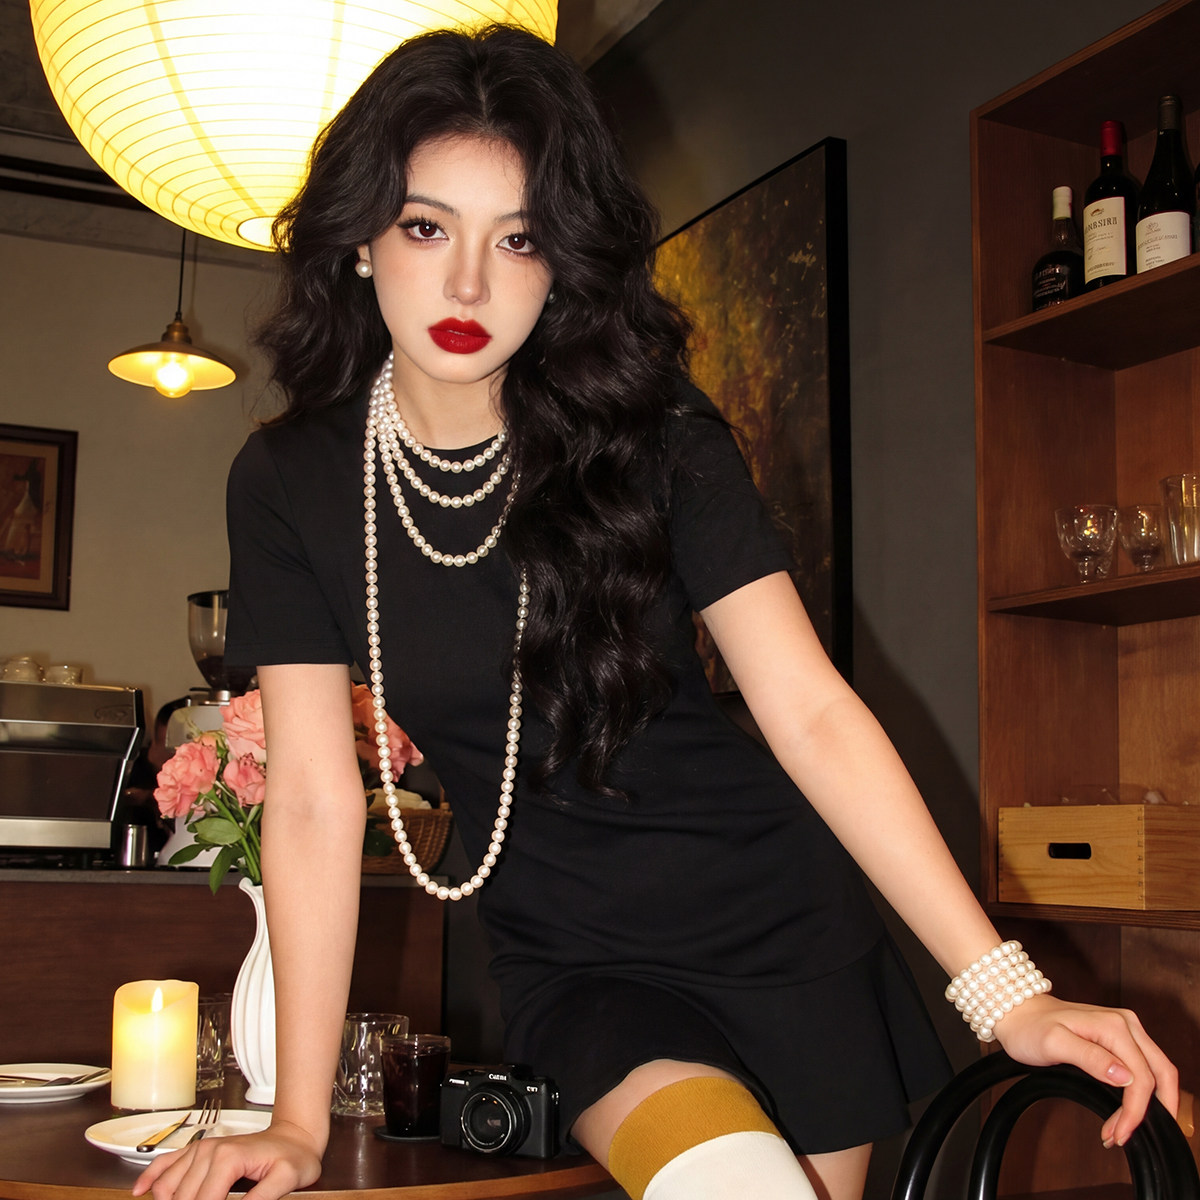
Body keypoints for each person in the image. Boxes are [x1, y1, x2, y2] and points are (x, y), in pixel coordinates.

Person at [134, 24, 1176, 1200]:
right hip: (573, 962)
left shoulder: (654, 433)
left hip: (777, 927)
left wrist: (1008, 994)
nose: (469, 283)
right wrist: (297, 1121)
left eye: (518, 238)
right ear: (363, 241)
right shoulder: (293, 482)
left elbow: (809, 712)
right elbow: (315, 799)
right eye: (427, 227)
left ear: (562, 262)